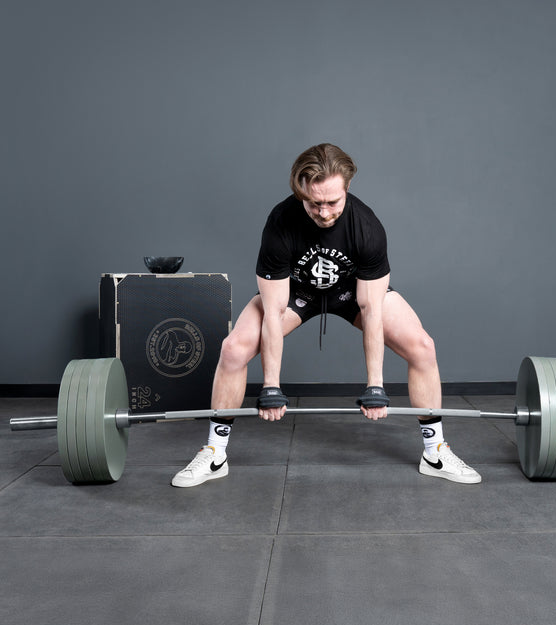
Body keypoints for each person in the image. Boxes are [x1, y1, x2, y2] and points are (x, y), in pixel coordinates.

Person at [171, 143, 481, 488]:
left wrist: (375, 386)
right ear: (300, 192)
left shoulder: (367, 226)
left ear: (346, 187)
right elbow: (273, 310)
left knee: (422, 346)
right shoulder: (280, 222)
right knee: (233, 349)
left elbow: (371, 308)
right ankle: (214, 453)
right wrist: (271, 386)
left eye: (332, 202)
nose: (323, 212)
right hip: (297, 294)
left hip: (353, 293)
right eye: (313, 203)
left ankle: (435, 451)